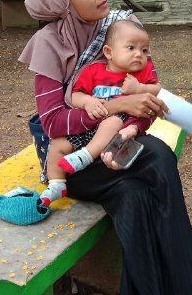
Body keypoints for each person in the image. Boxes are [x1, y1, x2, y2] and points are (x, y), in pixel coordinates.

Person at [19, 0, 192, 295]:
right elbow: (52, 123)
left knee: (133, 197)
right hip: (71, 161)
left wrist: (136, 116)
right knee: (157, 156)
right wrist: (117, 105)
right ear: (63, 4)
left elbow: (145, 98)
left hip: (117, 145)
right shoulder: (49, 44)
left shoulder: (119, 27)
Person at [39, 19, 161, 207]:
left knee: (111, 122)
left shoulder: (141, 73)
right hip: (90, 126)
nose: (139, 54)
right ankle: (57, 183)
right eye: (131, 48)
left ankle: (86, 155)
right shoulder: (93, 71)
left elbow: (156, 89)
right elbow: (75, 94)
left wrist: (139, 88)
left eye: (144, 50)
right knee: (58, 144)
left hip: (119, 128)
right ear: (109, 52)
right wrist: (88, 102)